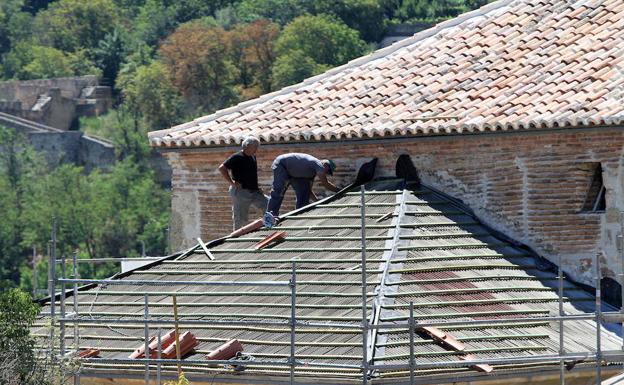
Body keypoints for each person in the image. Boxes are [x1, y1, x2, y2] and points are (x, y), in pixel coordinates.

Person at [264, 153, 338, 226]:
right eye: (328, 171)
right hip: (282, 165)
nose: (326, 174)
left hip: (295, 173)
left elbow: (309, 191)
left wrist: (316, 201)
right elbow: (326, 184)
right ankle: (270, 217)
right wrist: (339, 191)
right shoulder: (319, 164)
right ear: (325, 165)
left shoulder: (311, 174)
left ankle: (299, 217)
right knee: (279, 191)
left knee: (304, 191)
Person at [218, 136, 268, 230]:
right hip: (240, 191)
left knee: (268, 204)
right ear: (247, 146)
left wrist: (257, 187)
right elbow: (222, 168)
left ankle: (268, 224)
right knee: (241, 218)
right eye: (255, 147)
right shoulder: (237, 157)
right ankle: (237, 239)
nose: (257, 149)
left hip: (254, 191)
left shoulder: (253, 157)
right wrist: (232, 182)